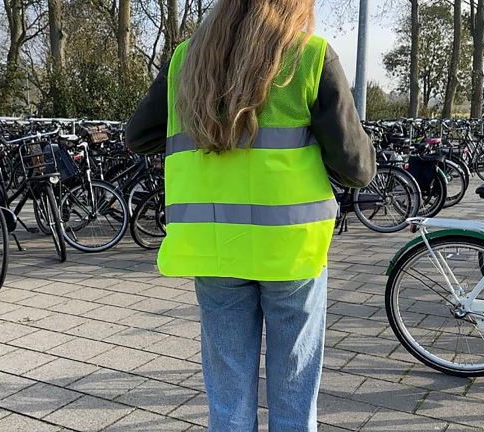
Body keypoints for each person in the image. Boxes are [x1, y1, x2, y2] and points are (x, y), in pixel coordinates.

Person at [126, 0, 376, 429]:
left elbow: (139, 135)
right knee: (294, 395)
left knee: (227, 397)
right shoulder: (310, 55)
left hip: (216, 247)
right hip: (290, 250)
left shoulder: (188, 57)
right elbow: (357, 169)